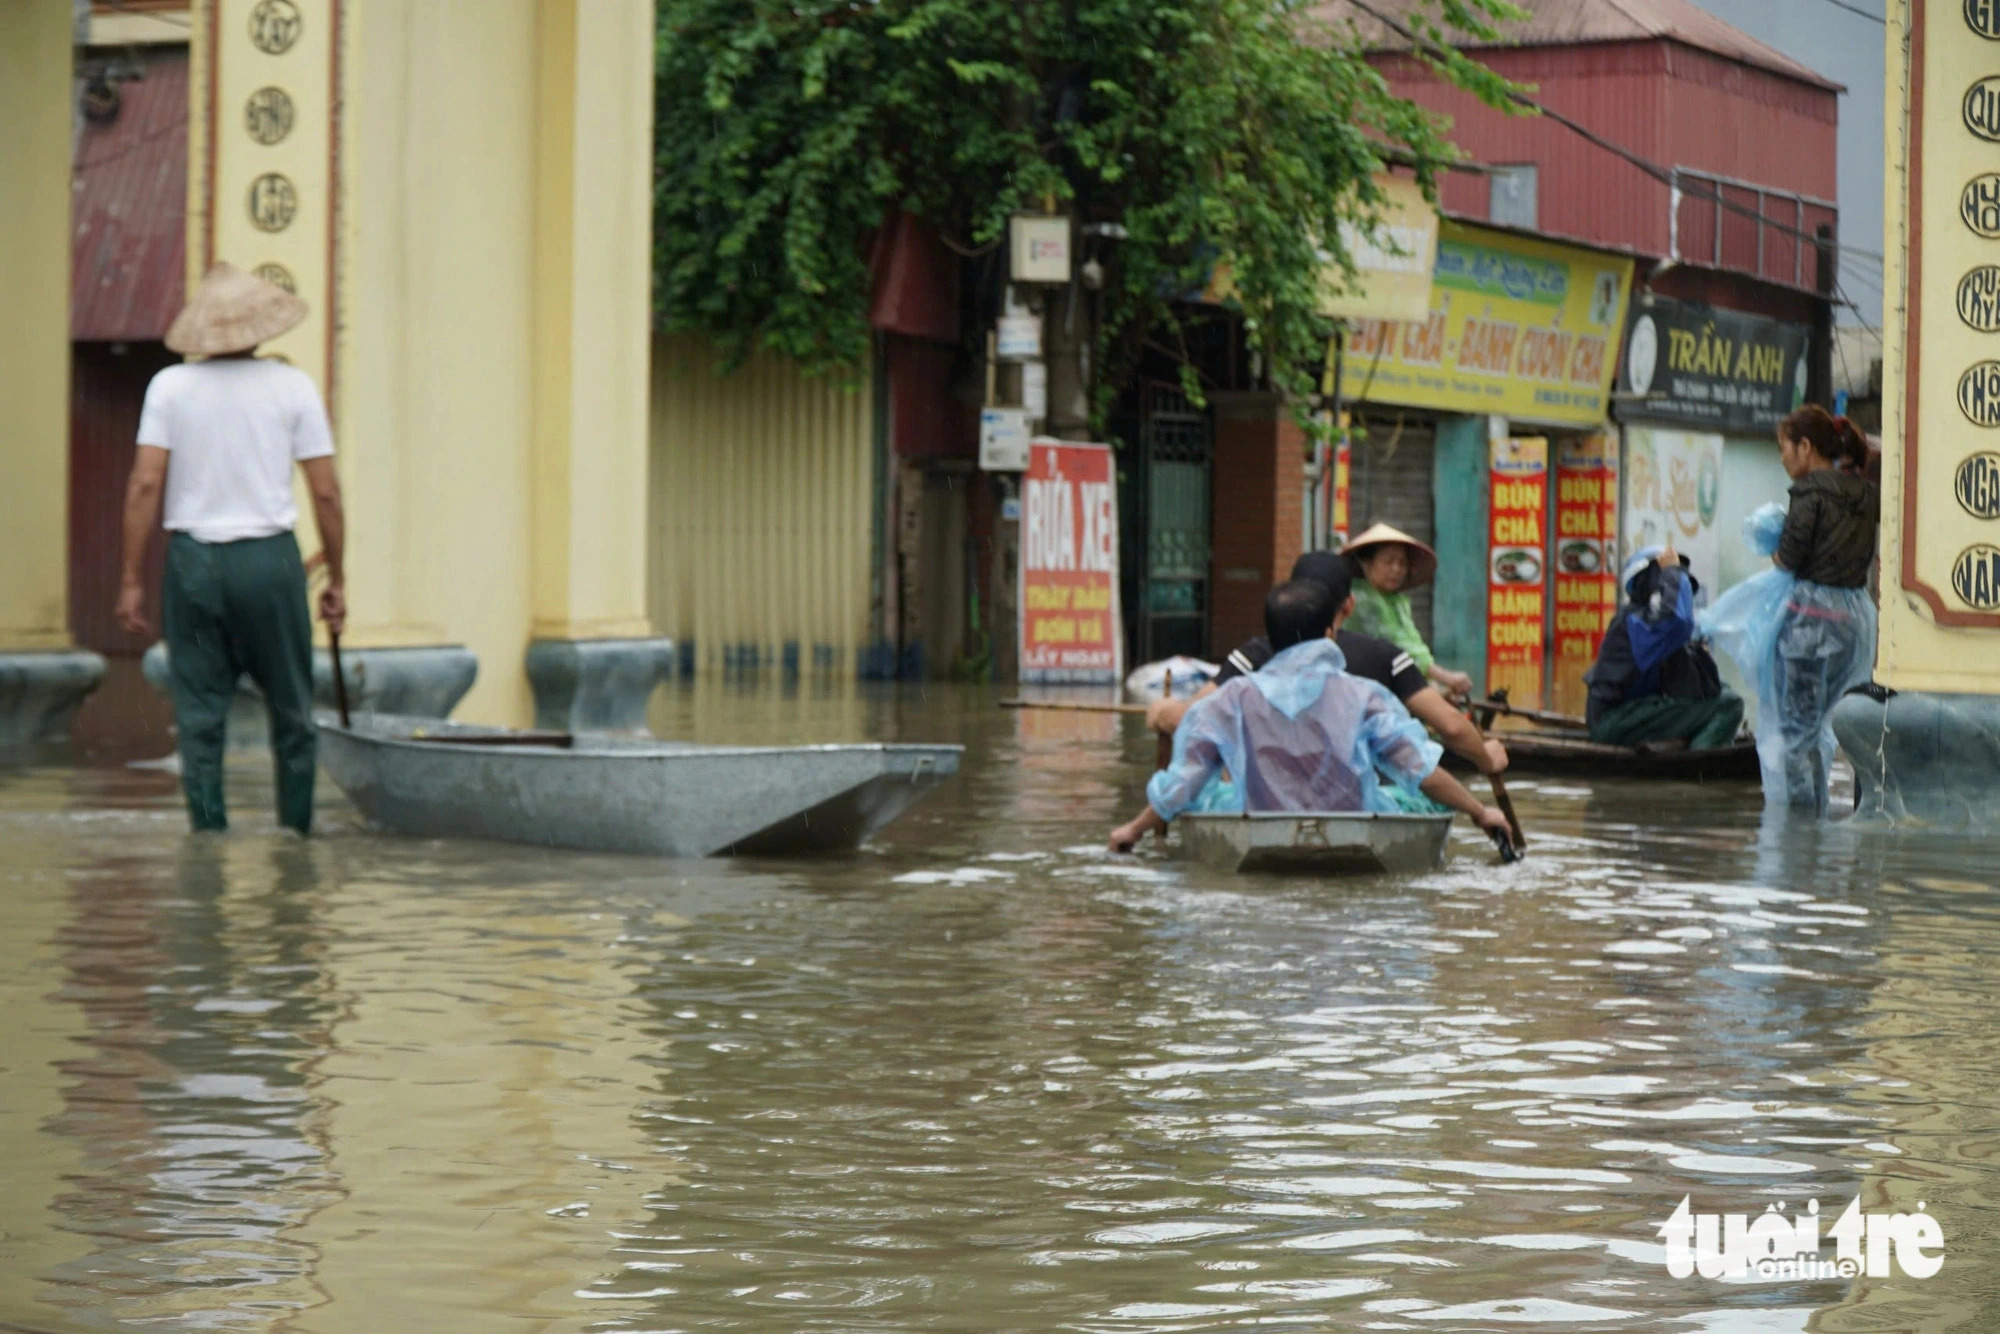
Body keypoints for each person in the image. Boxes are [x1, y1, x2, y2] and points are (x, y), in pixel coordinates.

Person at [114, 263, 347, 834]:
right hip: (269, 567)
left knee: (199, 712)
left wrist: (130, 580)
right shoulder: (291, 386)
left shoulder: (170, 386)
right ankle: (295, 835)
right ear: (260, 328)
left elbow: (145, 484)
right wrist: (337, 577)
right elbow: (325, 491)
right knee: (292, 708)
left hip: (194, 571)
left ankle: (208, 841)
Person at [1109, 579, 1509, 851]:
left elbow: (1186, 781)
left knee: (1210, 797)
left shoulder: (1230, 700)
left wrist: (1133, 830)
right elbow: (1421, 771)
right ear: (1330, 633)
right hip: (1356, 828)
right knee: (1421, 799)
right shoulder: (1364, 696)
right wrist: (1479, 811)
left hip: (1260, 827)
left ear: (1272, 638)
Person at [1147, 550, 1508, 778]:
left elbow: (1189, 719)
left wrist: (1162, 711)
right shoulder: (1386, 657)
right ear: (1348, 606)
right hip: (1364, 800)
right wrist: (1486, 758)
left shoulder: (1255, 655)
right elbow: (1454, 729)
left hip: (1268, 802)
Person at [1770, 404, 1879, 812]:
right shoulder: (1867, 494)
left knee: (1799, 730)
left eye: (1785, 448)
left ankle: (1801, 834)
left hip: (1811, 626)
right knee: (1836, 728)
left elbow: (1791, 556)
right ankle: (1842, 815)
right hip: (1855, 624)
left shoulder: (1810, 491)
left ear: (1805, 446)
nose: (1782, 458)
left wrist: (1773, 552)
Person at [1583, 540, 1743, 751]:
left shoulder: (1647, 624)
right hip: (1614, 720)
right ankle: (1700, 771)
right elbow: (1679, 622)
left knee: (1722, 693)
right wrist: (1672, 571)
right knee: (1729, 705)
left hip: (1631, 713)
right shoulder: (1633, 623)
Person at [1341, 523, 1475, 698]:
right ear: (1367, 564)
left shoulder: (1396, 601)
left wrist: (1435, 687)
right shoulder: (1364, 600)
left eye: (1402, 563)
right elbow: (1399, 647)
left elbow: (1414, 645)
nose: (1396, 569)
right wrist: (1446, 677)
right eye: (1388, 562)